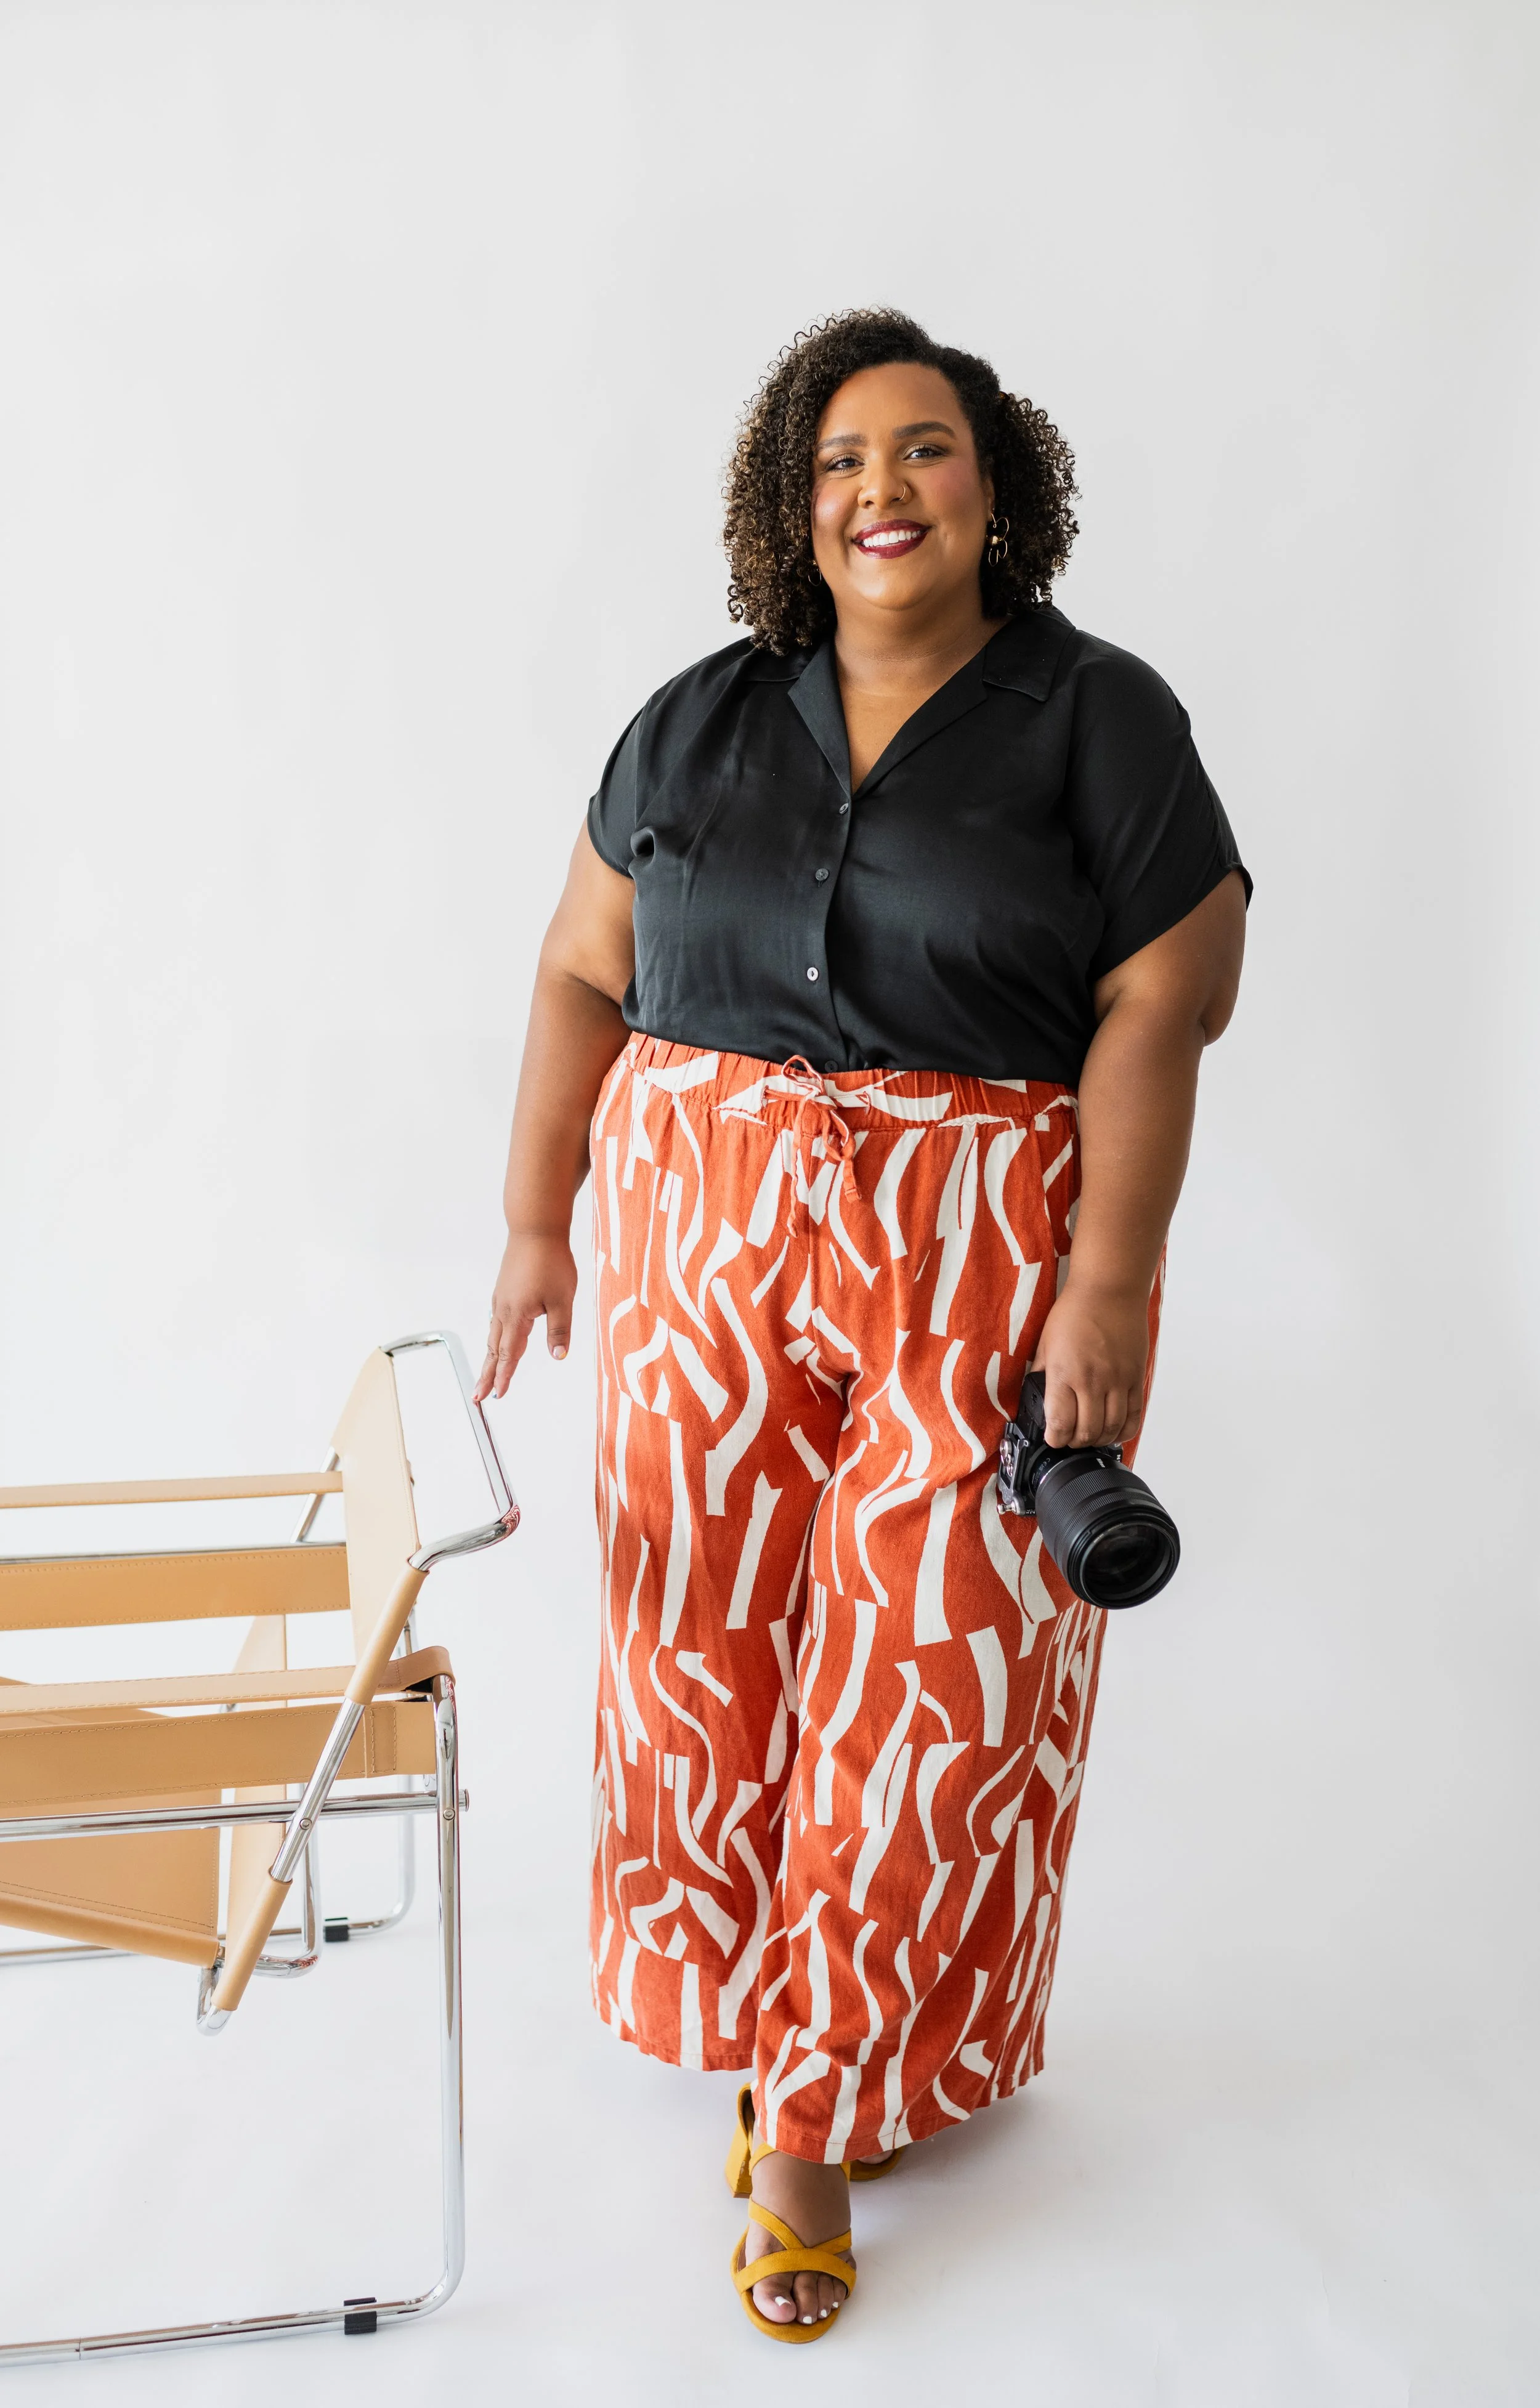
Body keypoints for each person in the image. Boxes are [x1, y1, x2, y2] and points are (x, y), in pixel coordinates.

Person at [476, 308, 1248, 2342]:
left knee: (935, 1677)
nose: (877, 489)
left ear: (995, 486)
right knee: (698, 1642)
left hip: (979, 1251)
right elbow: (578, 970)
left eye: (921, 449)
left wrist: (1104, 1281)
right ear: (787, 504)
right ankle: (773, 2020)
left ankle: (814, 2110)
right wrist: (537, 1222)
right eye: (836, 459)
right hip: (705, 1238)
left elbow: (1165, 999)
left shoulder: (1098, 717)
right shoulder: (696, 722)